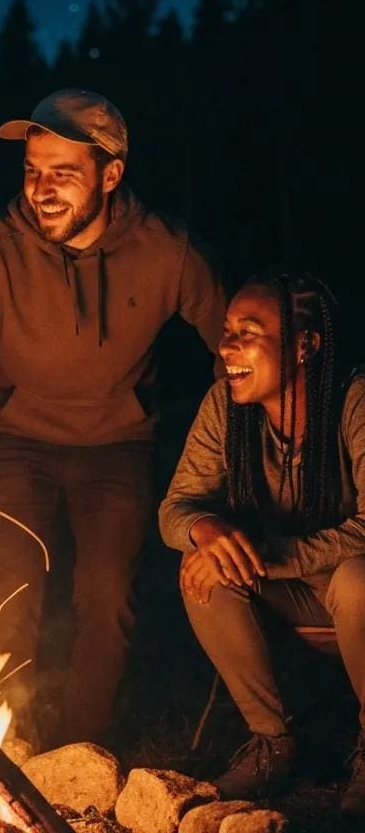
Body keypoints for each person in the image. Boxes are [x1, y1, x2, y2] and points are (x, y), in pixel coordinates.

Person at [0, 88, 227, 746]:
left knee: (106, 597)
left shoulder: (167, 252)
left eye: (63, 174)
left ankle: (80, 752)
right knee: (8, 596)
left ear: (111, 175)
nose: (41, 190)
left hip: (118, 445)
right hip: (14, 439)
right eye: (31, 170)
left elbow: (244, 352)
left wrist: (233, 467)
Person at [160, 273, 365, 815]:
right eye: (226, 330)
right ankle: (273, 742)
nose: (227, 346)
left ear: (304, 345)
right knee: (201, 564)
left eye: (247, 332)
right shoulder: (226, 408)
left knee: (358, 579)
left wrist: (267, 559)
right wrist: (205, 530)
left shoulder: (352, 401)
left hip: (354, 590)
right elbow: (175, 506)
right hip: (295, 594)